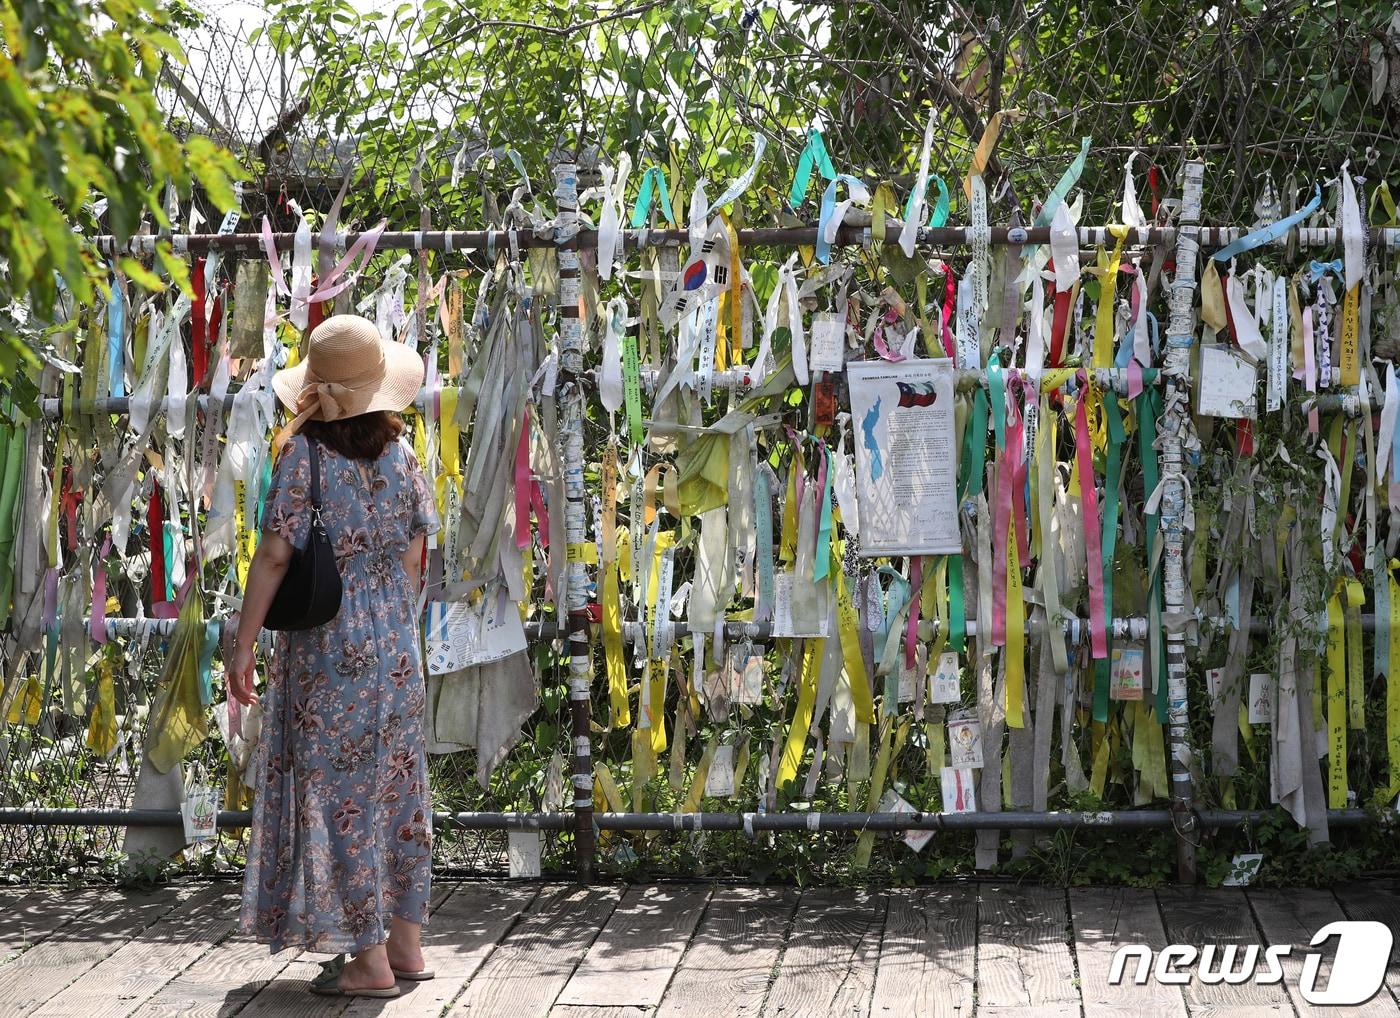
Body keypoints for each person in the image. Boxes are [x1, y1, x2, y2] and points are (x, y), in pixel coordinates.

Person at [228, 314, 438, 999]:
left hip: (328, 648)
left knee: (340, 796)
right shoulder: (403, 458)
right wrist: (391, 628)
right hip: (397, 649)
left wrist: (243, 644)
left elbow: (275, 555)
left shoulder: (304, 460)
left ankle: (369, 960)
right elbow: (414, 558)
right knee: (397, 792)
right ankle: (406, 946)